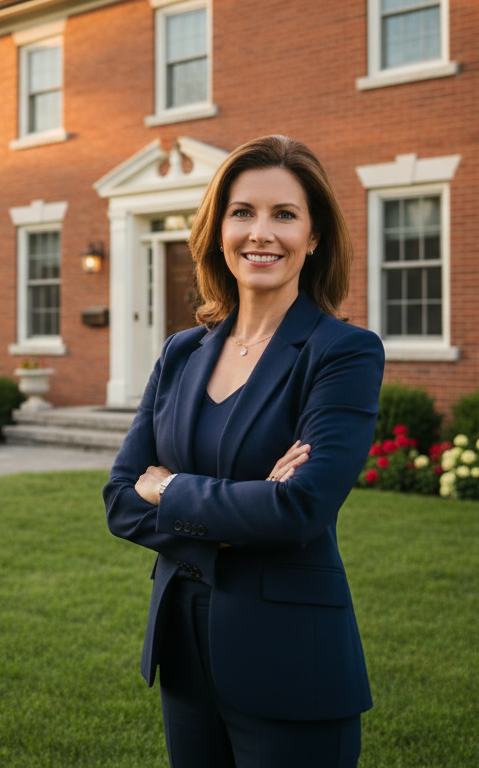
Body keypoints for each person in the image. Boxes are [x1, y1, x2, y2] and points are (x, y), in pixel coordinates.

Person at [103, 134, 384, 768]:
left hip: (291, 660)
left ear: (314, 238)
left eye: (285, 214)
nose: (262, 233)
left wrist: (170, 490)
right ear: (218, 229)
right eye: (243, 212)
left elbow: (301, 510)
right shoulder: (181, 352)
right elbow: (120, 499)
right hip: (183, 650)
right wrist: (247, 506)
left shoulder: (341, 353)